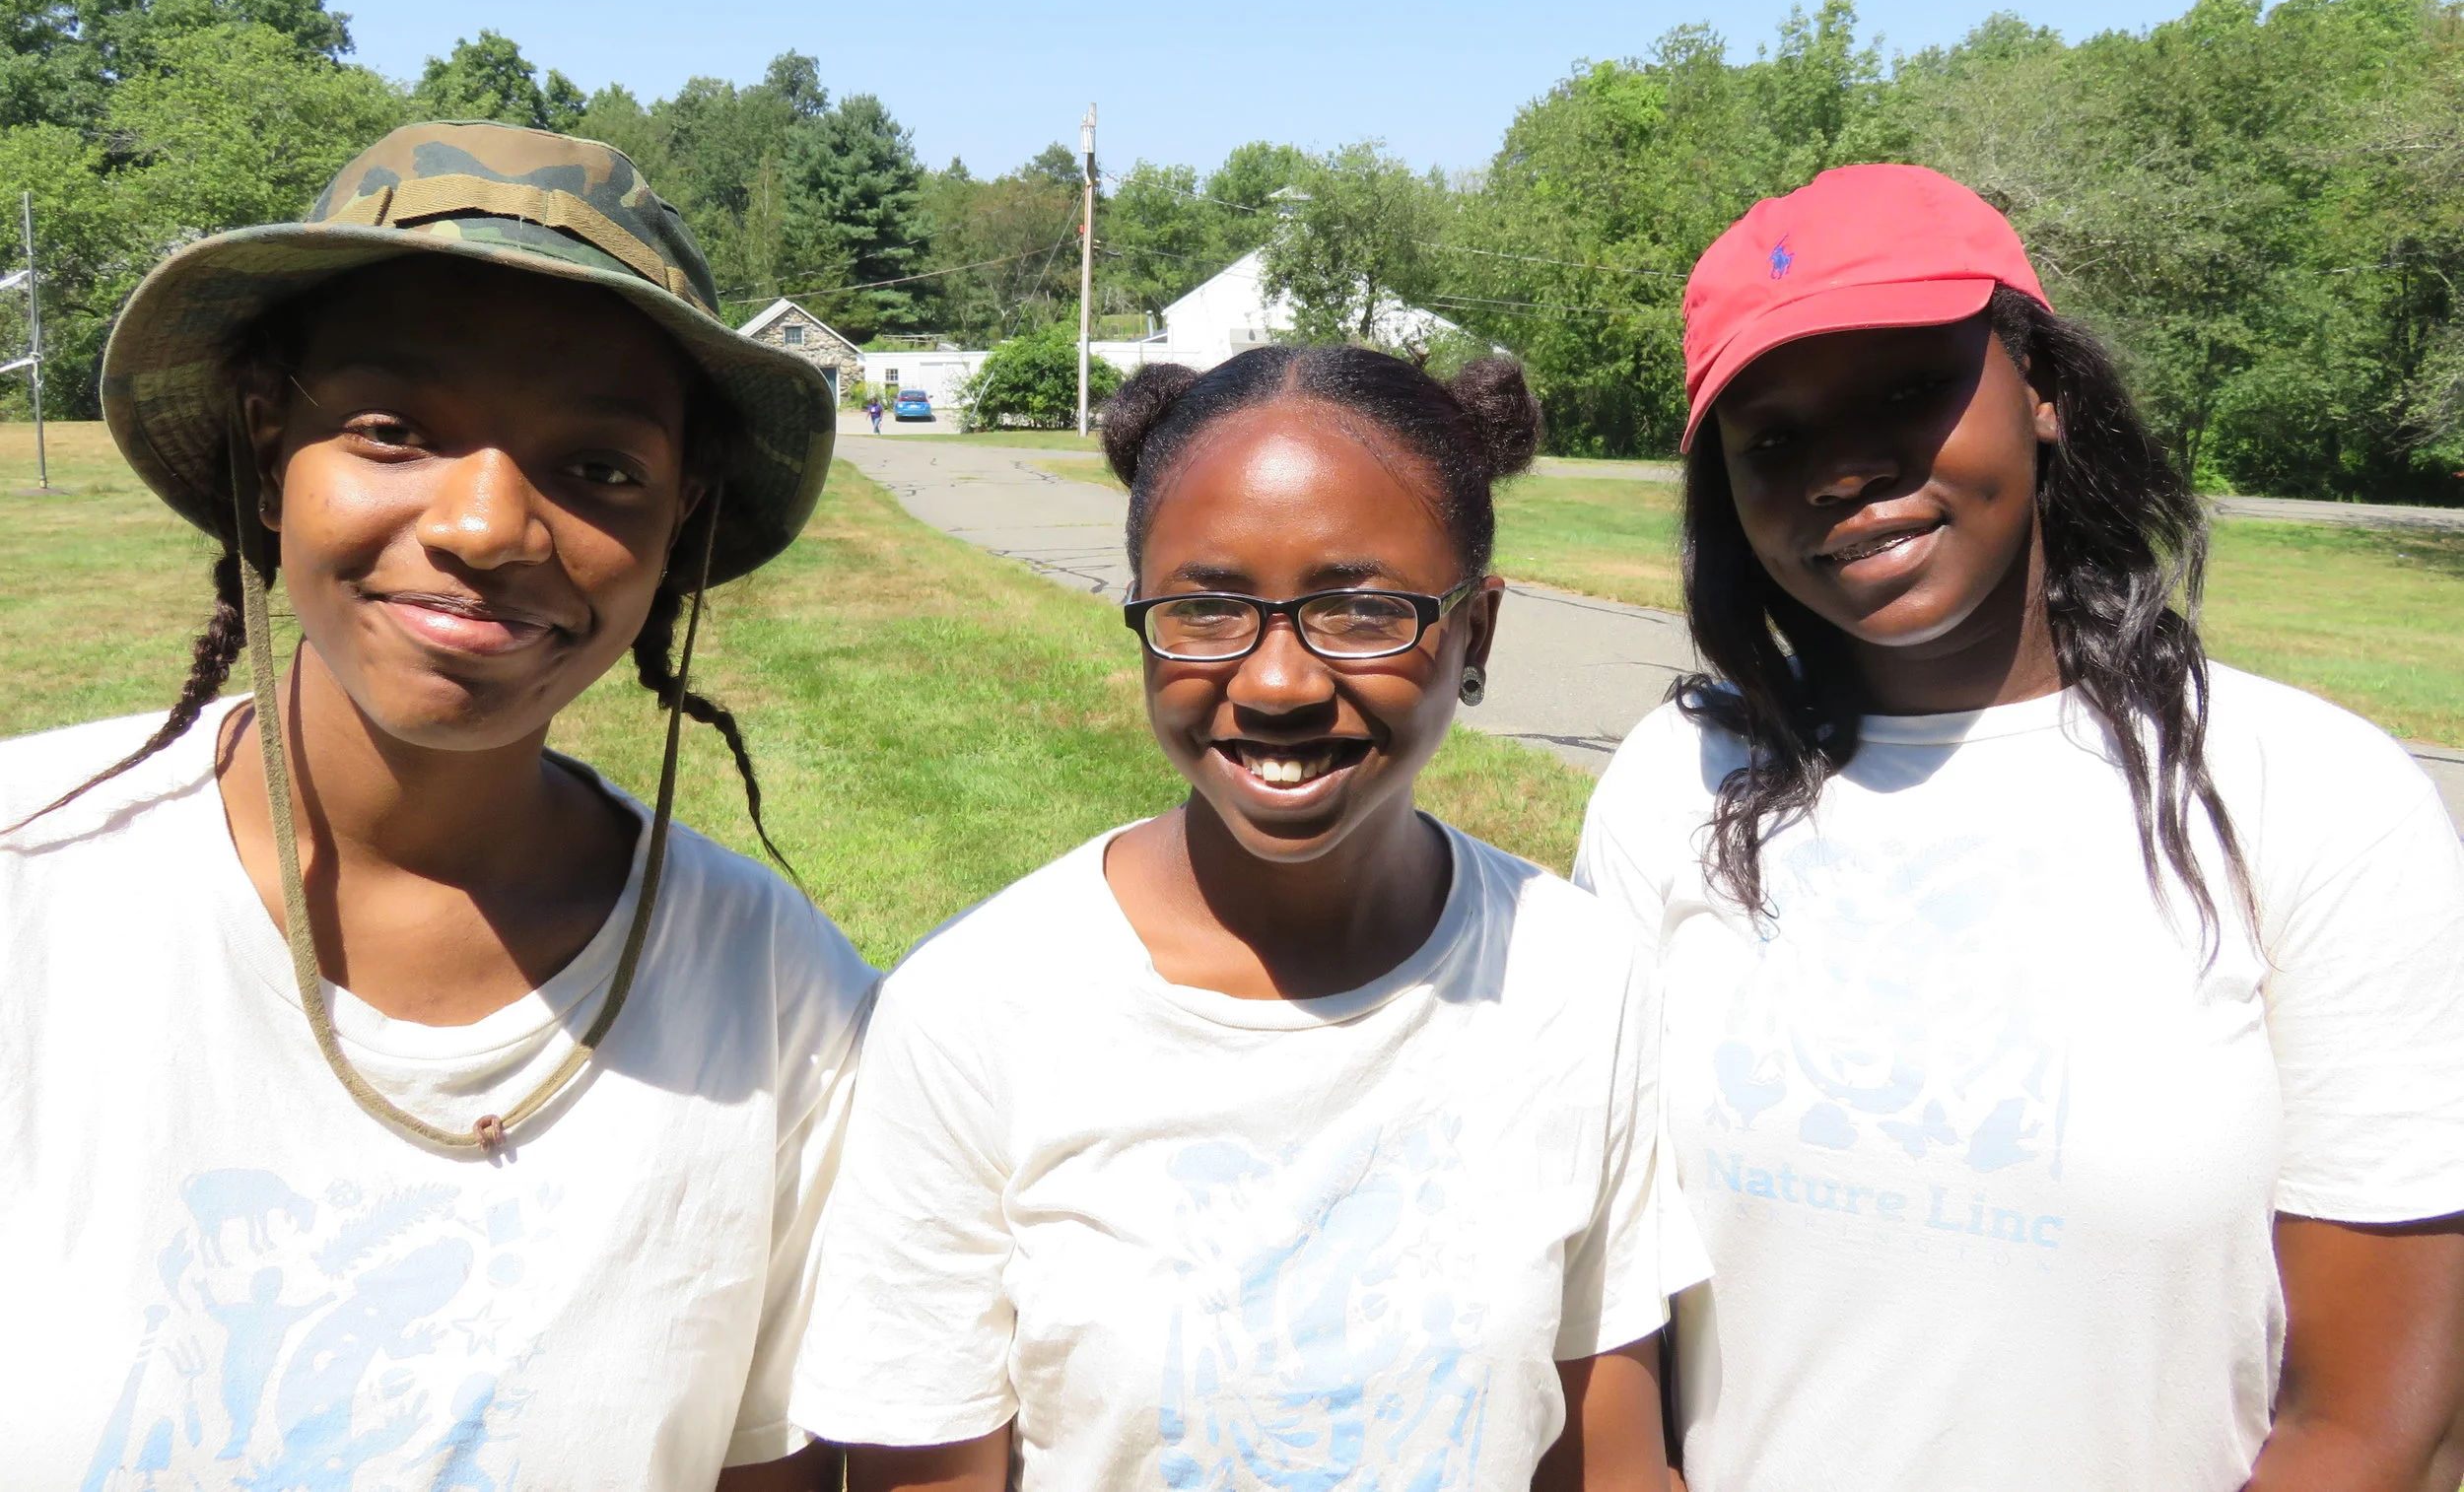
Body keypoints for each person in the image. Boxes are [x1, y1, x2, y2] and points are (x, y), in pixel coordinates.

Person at [0, 124, 874, 1490]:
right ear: (266, 436)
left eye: (599, 468)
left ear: (679, 516)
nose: (483, 525)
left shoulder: (780, 1006)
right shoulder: (32, 878)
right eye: (393, 430)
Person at [1574, 164, 2464, 1490]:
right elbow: (1606, 1307)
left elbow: (2371, 1415)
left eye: (1905, 390)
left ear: (2039, 384)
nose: (1846, 469)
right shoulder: (1675, 780)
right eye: (1774, 437)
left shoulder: (2313, 791)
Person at [794, 346, 1683, 1491]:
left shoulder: (1576, 976)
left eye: (1363, 611)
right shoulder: (975, 1012)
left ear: (1478, 634)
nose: (1276, 684)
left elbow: (1610, 1458)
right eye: (1207, 610)